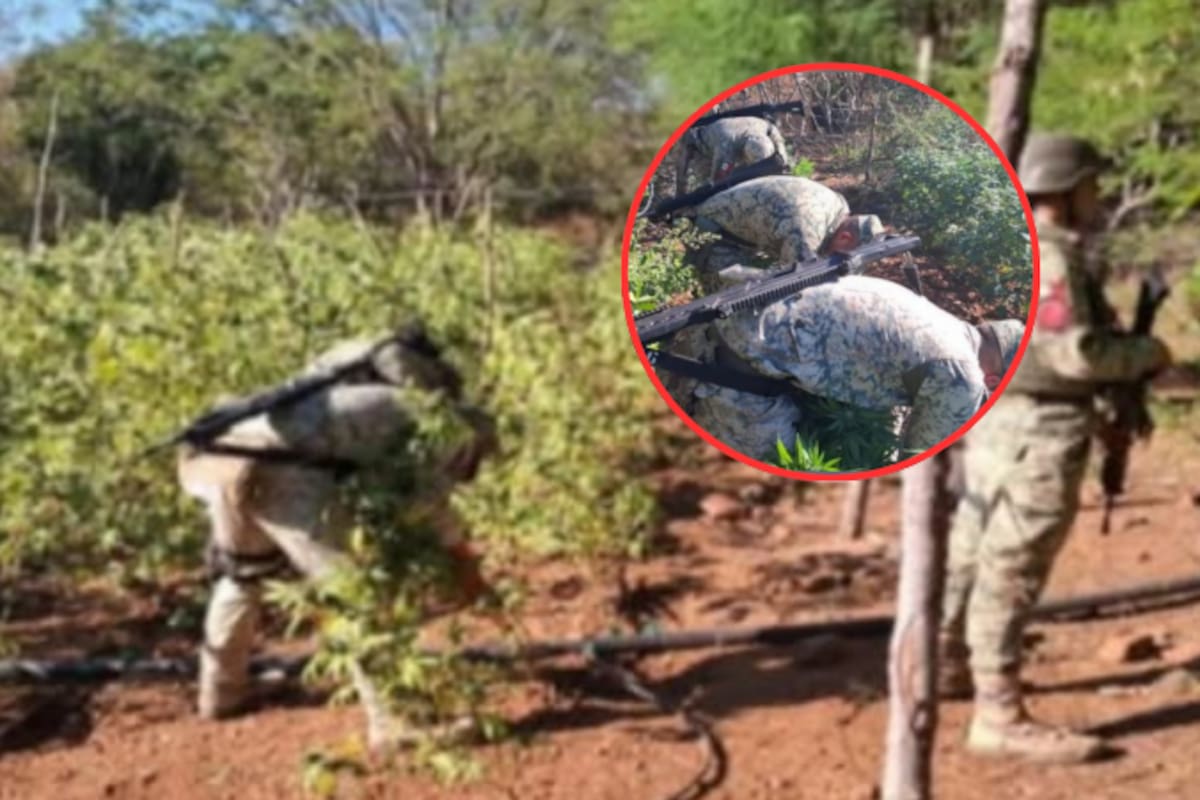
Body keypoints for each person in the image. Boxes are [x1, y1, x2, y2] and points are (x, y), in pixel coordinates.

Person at [937, 133, 1172, 763]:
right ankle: (999, 713)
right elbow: (1078, 354)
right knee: (1010, 569)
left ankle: (947, 664)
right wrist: (1150, 353)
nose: (1098, 197)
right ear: (1067, 194)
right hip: (1038, 432)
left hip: (995, 421)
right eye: (1091, 186)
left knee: (972, 549)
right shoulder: (1053, 256)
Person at [177, 324, 498, 753]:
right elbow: (430, 508)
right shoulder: (430, 420)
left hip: (222, 456)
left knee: (243, 574)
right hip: (276, 470)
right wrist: (464, 565)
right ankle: (396, 724)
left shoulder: (348, 381)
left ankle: (221, 693)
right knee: (357, 593)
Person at [696, 274, 1025, 464]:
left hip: (734, 310)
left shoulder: (942, 323)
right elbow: (914, 465)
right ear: (993, 380)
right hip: (737, 358)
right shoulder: (962, 376)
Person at [675, 115, 791, 196]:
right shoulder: (726, 146)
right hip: (700, 145)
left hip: (724, 134)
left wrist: (782, 154)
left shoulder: (762, 126)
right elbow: (718, 178)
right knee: (711, 188)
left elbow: (774, 131)